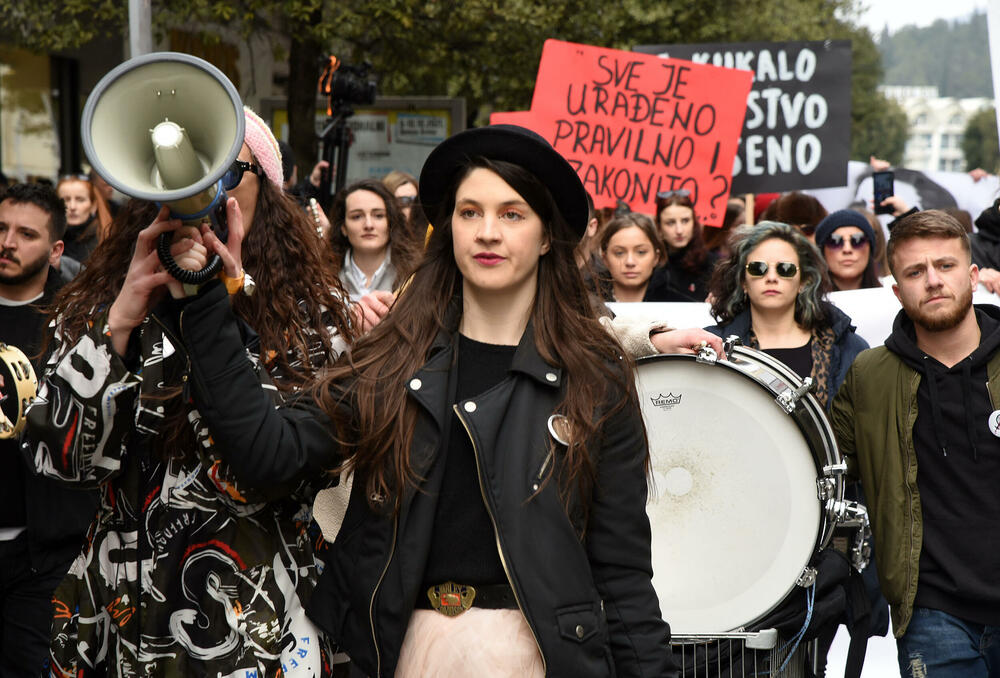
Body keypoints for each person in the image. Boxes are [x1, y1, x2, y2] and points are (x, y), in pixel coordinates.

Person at [196, 124, 678, 677]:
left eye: (512, 214)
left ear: (547, 236)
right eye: (469, 212)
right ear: (448, 228)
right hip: (403, 657)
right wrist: (207, 296)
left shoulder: (595, 377)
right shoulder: (391, 361)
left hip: (544, 660)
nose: (488, 232)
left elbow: (623, 578)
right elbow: (267, 453)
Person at [25, 108, 355, 676]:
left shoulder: (317, 318)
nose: (195, 189)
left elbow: (268, 468)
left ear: (267, 192)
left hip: (257, 624)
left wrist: (211, 307)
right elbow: (59, 461)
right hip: (121, 617)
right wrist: (120, 326)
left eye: (228, 170)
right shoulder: (99, 307)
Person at [831, 210, 1000, 677]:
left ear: (971, 276)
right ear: (897, 290)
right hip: (932, 612)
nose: (932, 281)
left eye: (945, 266)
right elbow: (821, 465)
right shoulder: (870, 375)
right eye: (914, 272)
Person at [0, 183, 97, 676]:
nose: (7, 242)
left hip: (44, 553)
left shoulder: (77, 322)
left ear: (57, 250)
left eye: (25, 234)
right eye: (0, 228)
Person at [706, 221, 868, 410]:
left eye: (785, 269)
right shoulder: (714, 346)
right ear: (743, 281)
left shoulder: (849, 347)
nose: (772, 277)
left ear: (804, 282)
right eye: (758, 268)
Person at [328, 178, 419, 302]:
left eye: (378, 216)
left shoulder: (415, 275)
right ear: (343, 227)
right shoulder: (324, 276)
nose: (369, 225)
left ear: (390, 222)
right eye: (357, 216)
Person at [644, 190, 717, 302]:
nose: (679, 230)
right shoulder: (649, 263)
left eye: (685, 221)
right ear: (659, 227)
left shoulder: (713, 265)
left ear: (694, 222)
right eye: (670, 223)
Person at [599, 211, 664, 302]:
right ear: (605, 258)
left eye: (641, 252)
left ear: (656, 257)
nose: (630, 262)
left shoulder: (680, 304)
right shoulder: (584, 306)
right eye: (619, 253)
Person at [814, 210, 881, 291]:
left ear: (870, 248)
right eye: (834, 241)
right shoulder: (805, 301)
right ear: (822, 251)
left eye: (858, 240)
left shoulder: (892, 296)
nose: (847, 249)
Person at [55, 174, 111, 264]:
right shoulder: (49, 239)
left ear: (93, 206)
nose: (72, 207)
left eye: (80, 200)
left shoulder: (105, 240)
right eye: (66, 200)